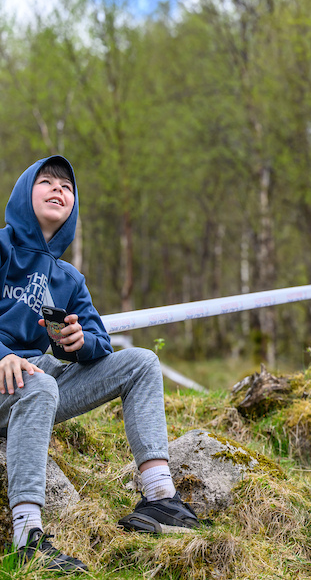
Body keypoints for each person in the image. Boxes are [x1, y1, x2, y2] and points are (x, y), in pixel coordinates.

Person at [0, 156, 200, 572]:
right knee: (39, 383)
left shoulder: (68, 278)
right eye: (47, 181)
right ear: (23, 192)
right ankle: (27, 538)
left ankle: (161, 498)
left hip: (36, 383)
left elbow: (102, 344)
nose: (59, 189)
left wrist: (78, 341)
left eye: (67, 187)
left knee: (142, 361)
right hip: (15, 378)